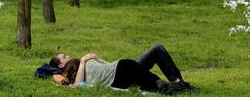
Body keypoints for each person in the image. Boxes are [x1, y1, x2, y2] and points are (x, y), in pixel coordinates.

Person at [48, 44, 196, 95]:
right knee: (155, 83)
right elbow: (76, 86)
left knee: (157, 49)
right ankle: (172, 87)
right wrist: (84, 61)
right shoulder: (72, 69)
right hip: (119, 74)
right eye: (64, 56)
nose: (67, 55)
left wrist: (97, 59)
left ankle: (178, 82)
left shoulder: (80, 63)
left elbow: (108, 65)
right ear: (60, 65)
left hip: (120, 69)